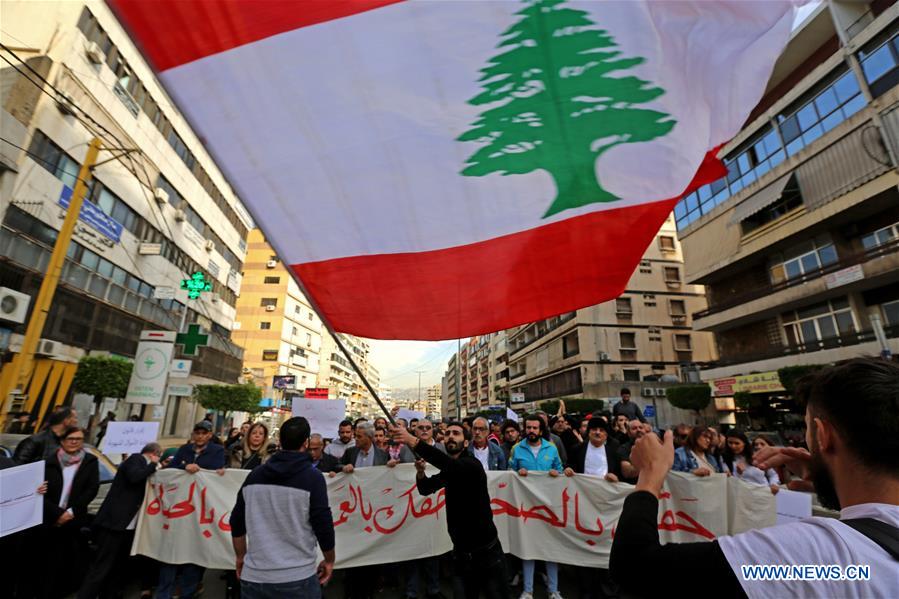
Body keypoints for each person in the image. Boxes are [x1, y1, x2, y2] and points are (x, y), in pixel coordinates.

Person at [610, 357, 899, 598]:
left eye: (809, 431)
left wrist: (650, 474)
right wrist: (831, 477)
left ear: (823, 436)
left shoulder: (815, 559)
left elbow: (636, 569)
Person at [392, 421, 511, 599]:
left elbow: (450, 466)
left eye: (456, 433)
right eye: (447, 433)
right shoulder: (450, 469)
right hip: (461, 555)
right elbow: (426, 488)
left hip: (487, 555)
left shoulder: (471, 465)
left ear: (465, 443)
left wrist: (412, 440)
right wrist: (420, 473)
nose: (450, 436)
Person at [231, 417, 335, 598]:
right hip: (298, 578)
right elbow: (323, 524)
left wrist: (241, 557)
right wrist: (329, 560)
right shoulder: (313, 478)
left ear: (279, 441)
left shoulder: (255, 477)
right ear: (306, 442)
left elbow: (237, 523)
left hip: (255, 577)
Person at [77, 443, 161, 599]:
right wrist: (154, 465)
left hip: (127, 528)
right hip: (114, 525)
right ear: (154, 454)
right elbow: (135, 477)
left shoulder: (143, 466)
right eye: (158, 456)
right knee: (101, 566)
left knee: (117, 567)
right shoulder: (137, 459)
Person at [157, 421, 226, 599]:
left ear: (210, 435)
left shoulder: (217, 451)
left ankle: (188, 592)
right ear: (194, 434)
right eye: (198, 433)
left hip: (201, 512)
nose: (201, 436)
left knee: (194, 554)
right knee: (170, 554)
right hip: (180, 510)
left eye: (204, 433)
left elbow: (215, 473)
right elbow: (170, 471)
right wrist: (183, 467)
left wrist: (205, 471)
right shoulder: (184, 450)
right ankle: (163, 594)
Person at [564, 418, 620, 599]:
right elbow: (570, 467)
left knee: (605, 546)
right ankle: (586, 589)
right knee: (584, 545)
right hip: (583, 506)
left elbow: (620, 475)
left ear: (606, 434)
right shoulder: (577, 450)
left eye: (601, 430)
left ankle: (605, 588)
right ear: (588, 433)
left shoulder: (613, 452)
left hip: (606, 508)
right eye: (594, 429)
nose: (597, 433)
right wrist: (569, 471)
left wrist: (615, 477)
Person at [509, 415, 564, 599]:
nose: (531, 431)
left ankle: (554, 590)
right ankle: (528, 590)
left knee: (551, 549)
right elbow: (508, 473)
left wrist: (558, 473)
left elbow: (561, 469)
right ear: (525, 429)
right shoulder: (516, 449)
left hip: (549, 507)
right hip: (526, 509)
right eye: (528, 427)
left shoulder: (551, 448)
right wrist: (517, 473)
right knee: (528, 548)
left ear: (541, 430)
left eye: (535, 428)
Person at [42, 426, 100, 598]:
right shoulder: (48, 461)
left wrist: (71, 512)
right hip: (50, 519)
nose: (74, 442)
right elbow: (39, 491)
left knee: (69, 562)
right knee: (47, 563)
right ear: (62, 441)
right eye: (71, 438)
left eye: (79, 439)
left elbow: (92, 489)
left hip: (74, 520)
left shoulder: (90, 461)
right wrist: (57, 514)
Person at [13, 406, 78, 464]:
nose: (76, 421)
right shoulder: (34, 441)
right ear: (66, 421)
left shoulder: (67, 442)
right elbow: (17, 468)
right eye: (75, 418)